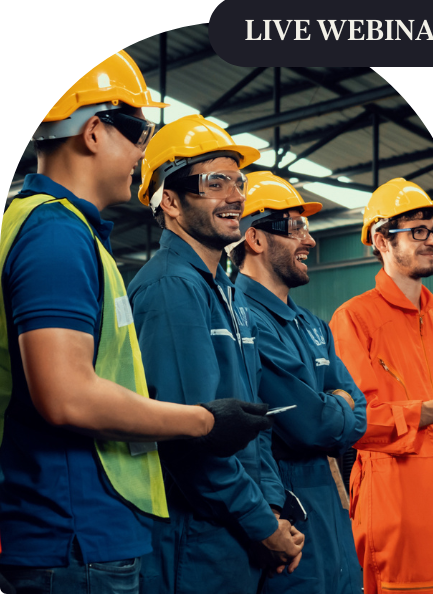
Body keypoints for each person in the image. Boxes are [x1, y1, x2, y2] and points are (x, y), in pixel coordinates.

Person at [0, 54, 274, 593]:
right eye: (137, 134)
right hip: (71, 535)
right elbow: (67, 395)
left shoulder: (54, 228)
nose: (141, 154)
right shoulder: (55, 234)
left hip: (77, 532)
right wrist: (205, 421)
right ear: (95, 131)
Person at [127, 116, 304, 594]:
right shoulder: (171, 288)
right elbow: (194, 441)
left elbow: (253, 422)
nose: (234, 196)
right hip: (195, 538)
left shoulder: (227, 291)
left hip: (237, 529)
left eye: (237, 182)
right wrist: (263, 526)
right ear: (169, 200)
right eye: (213, 182)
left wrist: (271, 508)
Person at [329, 178, 433, 594]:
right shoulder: (354, 319)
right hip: (400, 523)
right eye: (417, 231)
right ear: (381, 240)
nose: (431, 241)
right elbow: (359, 423)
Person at [227, 171, 367, 594]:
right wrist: (333, 405)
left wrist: (333, 408)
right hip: (289, 517)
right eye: (294, 227)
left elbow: (357, 412)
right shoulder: (242, 318)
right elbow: (312, 426)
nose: (309, 240)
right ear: (255, 239)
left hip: (333, 515)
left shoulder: (313, 325)